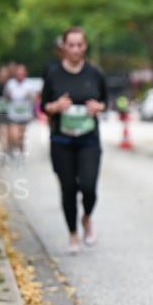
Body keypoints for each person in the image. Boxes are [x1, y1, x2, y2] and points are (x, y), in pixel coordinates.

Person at [40, 27, 108, 254]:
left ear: (85, 46)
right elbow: (43, 107)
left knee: (88, 186)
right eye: (71, 45)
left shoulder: (95, 74)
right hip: (62, 140)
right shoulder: (53, 75)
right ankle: (72, 235)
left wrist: (98, 107)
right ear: (64, 47)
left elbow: (105, 102)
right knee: (68, 188)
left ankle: (87, 218)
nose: (76, 49)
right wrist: (56, 107)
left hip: (89, 140)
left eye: (80, 45)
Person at [3, 64, 35, 157]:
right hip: (13, 115)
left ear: (25, 74)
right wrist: (8, 95)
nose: (20, 75)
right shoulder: (10, 83)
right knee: (14, 135)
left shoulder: (29, 85)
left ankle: (21, 151)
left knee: (21, 136)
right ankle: (12, 148)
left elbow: (34, 99)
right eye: (18, 73)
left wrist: (30, 96)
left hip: (24, 115)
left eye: (22, 73)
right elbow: (5, 97)